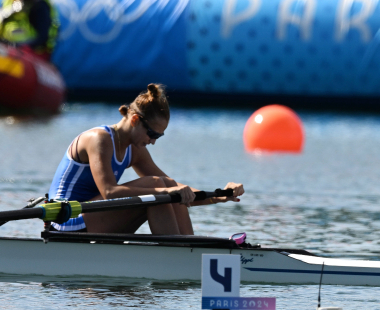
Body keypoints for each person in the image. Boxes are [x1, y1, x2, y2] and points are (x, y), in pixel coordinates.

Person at [47, 84, 244, 234]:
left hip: (92, 215)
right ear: (134, 120)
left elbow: (175, 189)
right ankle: (180, 256)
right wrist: (167, 190)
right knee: (158, 186)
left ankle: (187, 250)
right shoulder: (99, 139)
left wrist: (218, 196)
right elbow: (109, 192)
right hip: (65, 219)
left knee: (165, 184)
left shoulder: (135, 150)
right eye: (152, 134)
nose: (153, 141)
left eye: (159, 136)